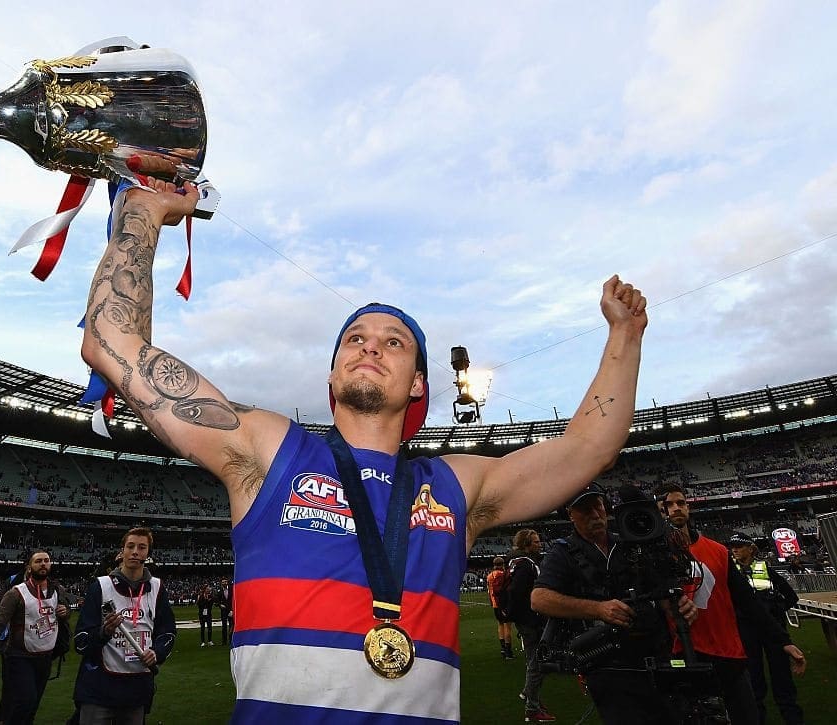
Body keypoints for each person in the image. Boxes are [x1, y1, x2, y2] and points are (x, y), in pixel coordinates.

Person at [80, 179, 647, 723]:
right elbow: (112, 342)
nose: (371, 344)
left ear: (418, 384)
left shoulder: (457, 486)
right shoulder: (269, 450)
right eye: (355, 338)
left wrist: (624, 335)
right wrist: (144, 211)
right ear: (332, 372)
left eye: (394, 342)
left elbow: (586, 448)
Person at [531, 483, 698, 725]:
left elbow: (659, 591)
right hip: (608, 664)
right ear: (570, 514)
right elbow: (539, 599)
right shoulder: (563, 552)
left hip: (654, 654)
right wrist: (598, 609)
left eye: (598, 506)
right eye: (585, 509)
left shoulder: (630, 542)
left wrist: (678, 604)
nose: (595, 514)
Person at [657, 484, 806, 725]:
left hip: (728, 655)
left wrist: (782, 640)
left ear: (688, 507)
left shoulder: (717, 551)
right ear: (660, 512)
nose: (676, 508)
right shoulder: (654, 559)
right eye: (668, 505)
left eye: (680, 502)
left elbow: (748, 601)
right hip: (682, 654)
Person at [73, 527, 176, 724]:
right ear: (122, 551)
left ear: (148, 554)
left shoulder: (157, 588)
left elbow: (167, 631)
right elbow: (81, 641)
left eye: (142, 547)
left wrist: (156, 652)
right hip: (99, 689)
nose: (135, 551)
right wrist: (104, 632)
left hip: (137, 690)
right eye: (130, 546)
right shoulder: (100, 587)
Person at [0, 550, 70, 725]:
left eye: (46, 560)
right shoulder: (16, 593)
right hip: (19, 656)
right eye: (38, 561)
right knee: (25, 701)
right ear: (29, 567)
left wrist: (65, 612)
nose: (43, 564)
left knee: (33, 706)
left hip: (45, 657)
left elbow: (63, 614)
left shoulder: (58, 590)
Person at [728, 532, 805, 725]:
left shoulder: (765, 568)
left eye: (739, 545)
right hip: (746, 630)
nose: (734, 549)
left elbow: (791, 596)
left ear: (751, 548)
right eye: (733, 546)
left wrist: (776, 611)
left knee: (781, 675)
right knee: (753, 676)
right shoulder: (730, 572)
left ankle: (792, 717)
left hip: (771, 630)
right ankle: (757, 717)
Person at [504, 529, 552, 722]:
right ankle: (532, 707)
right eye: (535, 542)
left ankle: (528, 694)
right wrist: (526, 616)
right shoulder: (526, 565)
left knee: (535, 659)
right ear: (526, 544)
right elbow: (518, 592)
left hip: (525, 618)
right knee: (537, 662)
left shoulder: (517, 562)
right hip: (530, 619)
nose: (539, 544)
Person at [485, 556, 514, 659]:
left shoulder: (489, 576)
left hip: (495, 604)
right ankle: (508, 651)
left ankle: (502, 648)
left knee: (500, 625)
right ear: (502, 564)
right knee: (507, 627)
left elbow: (490, 591)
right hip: (504, 604)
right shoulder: (504, 575)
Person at [217, 576, 233, 646]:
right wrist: (220, 605)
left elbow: (234, 599)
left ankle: (231, 640)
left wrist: (232, 610)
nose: (224, 583)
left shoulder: (231, 589)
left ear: (227, 582)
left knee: (231, 625)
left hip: (230, 610)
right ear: (221, 583)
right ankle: (224, 641)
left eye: (225, 582)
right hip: (223, 611)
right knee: (224, 626)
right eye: (223, 582)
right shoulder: (220, 591)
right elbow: (217, 601)